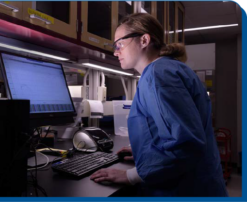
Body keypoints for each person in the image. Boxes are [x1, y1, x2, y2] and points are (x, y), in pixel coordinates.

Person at [90, 13, 228, 197]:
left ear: (144, 40)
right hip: (198, 182)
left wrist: (130, 175)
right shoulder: (170, 68)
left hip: (183, 189)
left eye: (119, 44)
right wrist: (144, 150)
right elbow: (176, 129)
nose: (116, 52)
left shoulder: (157, 74)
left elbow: (186, 145)